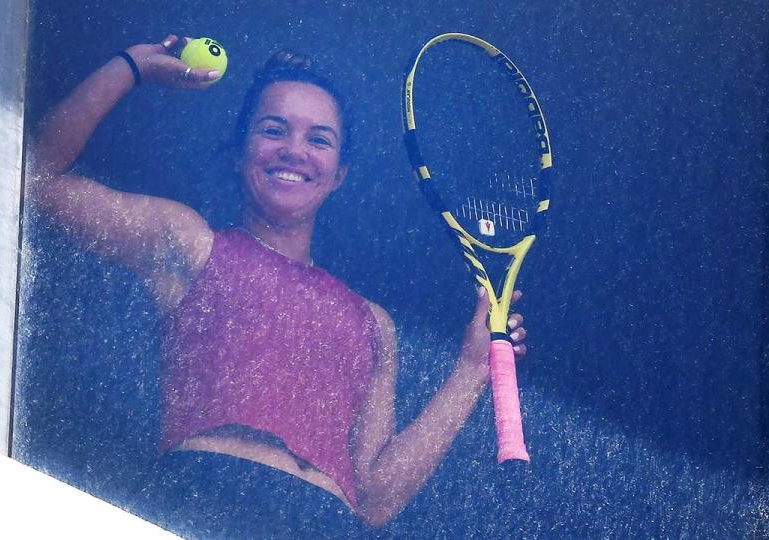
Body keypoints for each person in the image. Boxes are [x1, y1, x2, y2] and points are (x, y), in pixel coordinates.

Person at [31, 35, 528, 535]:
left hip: (324, 523)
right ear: (238, 151)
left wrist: (469, 370)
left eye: (319, 139)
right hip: (202, 497)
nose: (294, 151)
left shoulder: (373, 322)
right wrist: (132, 66)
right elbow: (36, 178)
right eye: (274, 130)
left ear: (339, 174)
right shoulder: (189, 243)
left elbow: (376, 499)